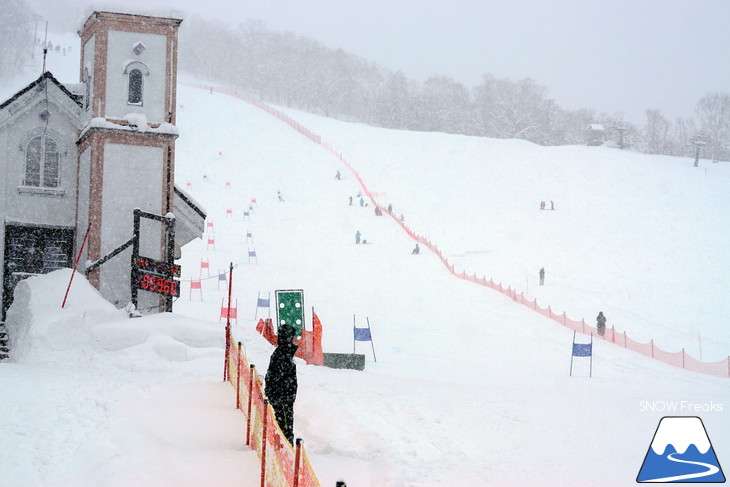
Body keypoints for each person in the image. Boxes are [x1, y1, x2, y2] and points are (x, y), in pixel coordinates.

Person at [264, 324, 299, 444]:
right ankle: (286, 451)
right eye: (294, 337)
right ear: (288, 338)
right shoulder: (282, 356)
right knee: (284, 430)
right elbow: (273, 380)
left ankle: (287, 450)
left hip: (285, 401)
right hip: (283, 402)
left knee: (286, 428)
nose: (296, 340)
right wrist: (280, 401)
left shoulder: (286, 354)